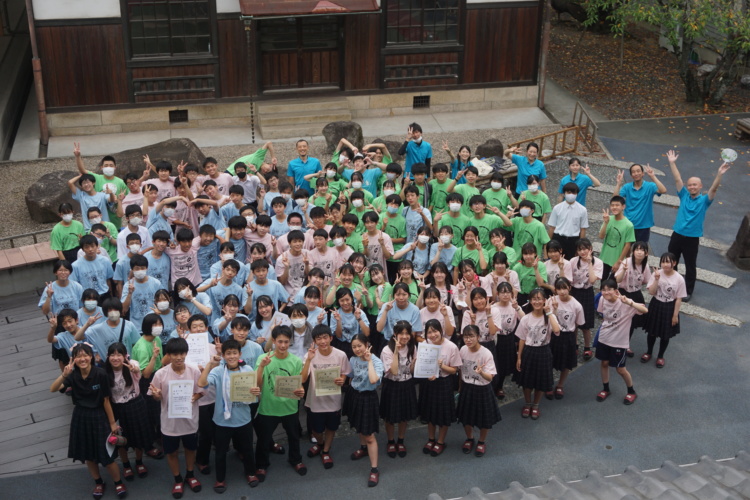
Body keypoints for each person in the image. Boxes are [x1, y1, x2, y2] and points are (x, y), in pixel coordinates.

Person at [50, 343, 127, 499]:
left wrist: (112, 423)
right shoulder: (72, 375)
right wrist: (64, 374)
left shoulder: (100, 374)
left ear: (91, 357)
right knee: (87, 454)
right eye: (79, 356)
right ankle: (98, 482)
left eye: (85, 355)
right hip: (80, 415)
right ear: (74, 359)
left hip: (99, 415)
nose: (82, 359)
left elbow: (106, 400)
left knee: (106, 453)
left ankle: (118, 482)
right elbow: (53, 388)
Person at [198, 339, 261, 493]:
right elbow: (201, 383)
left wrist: (256, 392)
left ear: (239, 354)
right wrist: (209, 365)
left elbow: (256, 393)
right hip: (222, 420)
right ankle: (220, 479)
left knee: (247, 449)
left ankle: (251, 473)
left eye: (234, 353)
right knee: (220, 452)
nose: (231, 356)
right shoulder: (218, 371)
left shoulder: (247, 370)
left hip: (243, 419)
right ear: (224, 355)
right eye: (228, 353)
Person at [665, 150, 730, 301]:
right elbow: (677, 179)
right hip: (677, 234)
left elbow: (713, 188)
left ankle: (687, 291)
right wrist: (672, 163)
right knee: (671, 262)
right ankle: (670, 285)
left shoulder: (704, 201)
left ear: (700, 186)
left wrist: (719, 174)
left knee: (690, 266)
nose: (692, 187)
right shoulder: (683, 195)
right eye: (690, 185)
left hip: (692, 238)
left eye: (695, 185)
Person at [148, 337, 204, 498]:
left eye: (181, 353)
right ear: (168, 355)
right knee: (171, 452)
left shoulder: (194, 370)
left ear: (186, 353)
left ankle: (190, 474)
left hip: (189, 420)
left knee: (190, 449)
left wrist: (195, 397)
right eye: (174, 354)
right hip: (169, 423)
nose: (178, 357)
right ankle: (178, 479)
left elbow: (201, 391)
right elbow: (156, 396)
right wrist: (157, 395)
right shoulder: (160, 374)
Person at [253, 326, 308, 481]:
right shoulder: (263, 359)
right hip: (268, 408)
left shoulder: (296, 361)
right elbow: (257, 383)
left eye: (286, 341)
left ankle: (296, 460)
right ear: (274, 341)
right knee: (263, 439)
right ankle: (262, 465)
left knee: (294, 436)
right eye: (279, 341)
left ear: (290, 342)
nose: (283, 345)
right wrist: (262, 366)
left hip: (290, 407)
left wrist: (301, 391)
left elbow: (299, 384)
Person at [301, 325, 351, 470]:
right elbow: (303, 379)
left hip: (333, 399)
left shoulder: (340, 355)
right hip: (315, 400)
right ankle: (320, 443)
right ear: (314, 341)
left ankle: (326, 450)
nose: (322, 341)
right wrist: (309, 360)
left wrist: (342, 380)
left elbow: (345, 372)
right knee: (316, 430)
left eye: (325, 338)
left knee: (331, 427)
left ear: (331, 338)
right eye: (318, 338)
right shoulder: (310, 355)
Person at [105, 342, 156, 482]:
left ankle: (139, 462)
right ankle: (126, 464)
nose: (115, 358)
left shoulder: (131, 364)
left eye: (119, 354)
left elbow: (137, 369)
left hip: (135, 404)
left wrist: (134, 369)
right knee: (120, 438)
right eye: (112, 355)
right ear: (108, 356)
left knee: (139, 435)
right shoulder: (105, 372)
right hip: (117, 408)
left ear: (125, 356)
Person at [595, 279, 648, 405]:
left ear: (616, 290)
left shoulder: (625, 303)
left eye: (609, 289)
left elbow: (645, 310)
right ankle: (605, 388)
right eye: (604, 290)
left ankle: (631, 391)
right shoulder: (603, 300)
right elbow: (603, 316)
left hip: (619, 342)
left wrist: (629, 302)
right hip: (604, 338)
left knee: (620, 369)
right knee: (604, 363)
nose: (606, 292)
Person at [344, 333, 384, 486]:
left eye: (360, 345)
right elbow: (351, 376)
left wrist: (369, 362)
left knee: (369, 435)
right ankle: (363, 448)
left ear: (367, 344)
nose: (357, 349)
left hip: (368, 397)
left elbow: (374, 380)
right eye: (354, 347)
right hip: (355, 395)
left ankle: (374, 469)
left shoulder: (376, 360)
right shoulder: (353, 359)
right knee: (359, 426)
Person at [514, 288, 560, 420]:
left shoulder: (549, 317)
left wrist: (549, 312)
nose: (537, 301)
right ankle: (527, 403)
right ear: (530, 301)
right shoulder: (526, 319)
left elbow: (557, 330)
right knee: (527, 381)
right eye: (534, 299)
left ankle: (536, 405)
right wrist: (519, 357)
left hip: (544, 351)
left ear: (545, 300)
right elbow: (522, 338)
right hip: (529, 351)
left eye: (540, 298)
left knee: (541, 381)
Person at [457, 324, 502, 457]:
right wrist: (460, 386)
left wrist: (481, 372)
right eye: (466, 337)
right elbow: (460, 370)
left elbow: (490, 378)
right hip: (467, 387)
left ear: (478, 337)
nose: (468, 340)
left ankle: (481, 441)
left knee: (484, 418)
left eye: (471, 336)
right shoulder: (463, 350)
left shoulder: (486, 353)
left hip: (483, 388)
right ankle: (470, 438)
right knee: (465, 416)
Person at [419, 319, 460, 457]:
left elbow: (454, 370)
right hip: (429, 383)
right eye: (429, 332)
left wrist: (442, 366)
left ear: (441, 330)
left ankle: (441, 441)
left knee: (443, 414)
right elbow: (422, 365)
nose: (432, 335)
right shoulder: (424, 344)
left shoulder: (451, 346)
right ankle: (431, 439)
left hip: (444, 382)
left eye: (435, 331)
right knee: (430, 412)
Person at [379, 321, 418, 459]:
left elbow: (412, 371)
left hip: (407, 384)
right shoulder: (386, 350)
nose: (405, 336)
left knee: (404, 415)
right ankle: (390, 441)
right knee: (390, 416)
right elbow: (394, 371)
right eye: (401, 333)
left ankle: (400, 440)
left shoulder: (412, 347)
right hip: (392, 385)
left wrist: (415, 364)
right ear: (395, 334)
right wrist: (396, 350)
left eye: (407, 333)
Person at [642, 252, 687, 368]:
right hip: (656, 304)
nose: (665, 264)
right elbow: (651, 292)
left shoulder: (679, 279)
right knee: (652, 331)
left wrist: (675, 315)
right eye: (663, 261)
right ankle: (649, 352)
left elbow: (678, 299)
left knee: (665, 335)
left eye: (668, 262)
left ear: (674, 263)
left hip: (669, 307)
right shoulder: (657, 273)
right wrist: (656, 279)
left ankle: (660, 356)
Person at [547, 278, 584, 399]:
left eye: (564, 288)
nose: (562, 291)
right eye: (559, 288)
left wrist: (575, 342)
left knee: (566, 363)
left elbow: (577, 324)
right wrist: (555, 309)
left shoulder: (577, 305)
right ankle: (548, 384)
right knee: (549, 361)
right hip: (552, 335)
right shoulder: (551, 301)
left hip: (567, 336)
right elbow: (547, 319)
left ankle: (560, 385)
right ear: (555, 289)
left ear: (569, 287)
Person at [613, 162, 667, 242]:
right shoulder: (627, 187)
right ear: (631, 175)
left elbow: (663, 190)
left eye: (638, 171)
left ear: (643, 173)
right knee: (626, 250)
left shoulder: (650, 186)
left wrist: (653, 176)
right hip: (628, 223)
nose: (636, 173)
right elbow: (615, 200)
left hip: (644, 225)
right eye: (633, 172)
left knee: (641, 250)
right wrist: (618, 184)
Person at [614, 241, 651, 356]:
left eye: (642, 250)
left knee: (632, 323)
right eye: (637, 249)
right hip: (624, 293)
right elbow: (618, 280)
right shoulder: (626, 262)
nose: (639, 252)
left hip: (636, 294)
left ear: (646, 253)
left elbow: (647, 281)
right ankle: (616, 344)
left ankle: (626, 345)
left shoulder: (645, 266)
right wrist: (624, 270)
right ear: (633, 251)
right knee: (620, 321)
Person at [77, 298, 140, 363]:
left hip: (126, 365)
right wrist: (87, 324)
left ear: (120, 310)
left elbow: (137, 345)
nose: (113, 312)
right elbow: (77, 337)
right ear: (105, 312)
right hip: (108, 368)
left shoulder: (129, 325)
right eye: (110, 310)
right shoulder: (98, 329)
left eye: (115, 309)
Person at [569, 238, 602, 361]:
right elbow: (568, 279)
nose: (583, 252)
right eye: (580, 249)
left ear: (590, 249)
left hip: (587, 292)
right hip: (574, 292)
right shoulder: (573, 261)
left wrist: (589, 264)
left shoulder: (597, 262)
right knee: (573, 322)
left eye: (585, 249)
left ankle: (587, 347)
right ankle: (575, 344)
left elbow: (593, 280)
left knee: (586, 324)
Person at [489, 282, 524, 399]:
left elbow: (525, 320)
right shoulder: (493, 307)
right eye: (502, 292)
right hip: (496, 338)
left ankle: (499, 387)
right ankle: (491, 386)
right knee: (495, 363)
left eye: (508, 292)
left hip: (509, 337)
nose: (505, 295)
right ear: (497, 294)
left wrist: (517, 308)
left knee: (504, 365)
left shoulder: (514, 307)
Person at [598, 196, 635, 281]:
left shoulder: (629, 225)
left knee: (612, 285)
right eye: (612, 205)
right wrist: (606, 223)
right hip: (605, 258)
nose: (614, 207)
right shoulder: (608, 219)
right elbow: (601, 236)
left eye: (617, 205)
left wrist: (619, 262)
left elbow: (627, 245)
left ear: (623, 206)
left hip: (617, 260)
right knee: (603, 283)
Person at [548, 182, 588, 261]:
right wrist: (549, 244)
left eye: (573, 192)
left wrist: (580, 246)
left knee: (571, 264)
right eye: (568, 192)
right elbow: (552, 227)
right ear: (564, 193)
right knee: (555, 262)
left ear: (577, 194)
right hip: (558, 239)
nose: (571, 195)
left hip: (573, 241)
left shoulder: (582, 210)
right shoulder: (557, 208)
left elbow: (583, 229)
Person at [71, 235, 114, 299]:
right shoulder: (75, 265)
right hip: (88, 298)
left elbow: (108, 280)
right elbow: (74, 285)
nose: (90, 249)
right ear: (82, 249)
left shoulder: (105, 261)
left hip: (104, 295)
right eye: (87, 247)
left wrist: (111, 296)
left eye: (92, 246)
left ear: (97, 246)